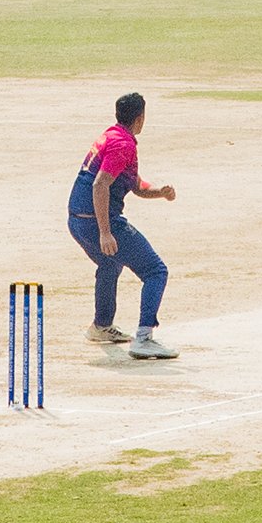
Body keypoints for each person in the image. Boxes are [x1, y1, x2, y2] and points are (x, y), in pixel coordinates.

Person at [68, 92, 178, 358]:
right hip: (98, 221)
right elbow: (101, 184)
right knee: (155, 271)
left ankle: (102, 326)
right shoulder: (123, 145)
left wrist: (159, 192)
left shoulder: (112, 136)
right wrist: (105, 232)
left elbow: (133, 184)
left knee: (110, 263)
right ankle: (144, 338)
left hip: (77, 220)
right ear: (140, 119)